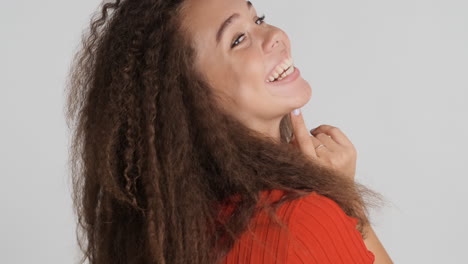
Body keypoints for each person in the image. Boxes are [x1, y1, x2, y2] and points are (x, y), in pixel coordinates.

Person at [65, 0, 393, 263]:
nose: (274, 34)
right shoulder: (301, 222)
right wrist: (344, 202)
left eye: (258, 19)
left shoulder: (176, 232)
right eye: (238, 39)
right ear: (189, 100)